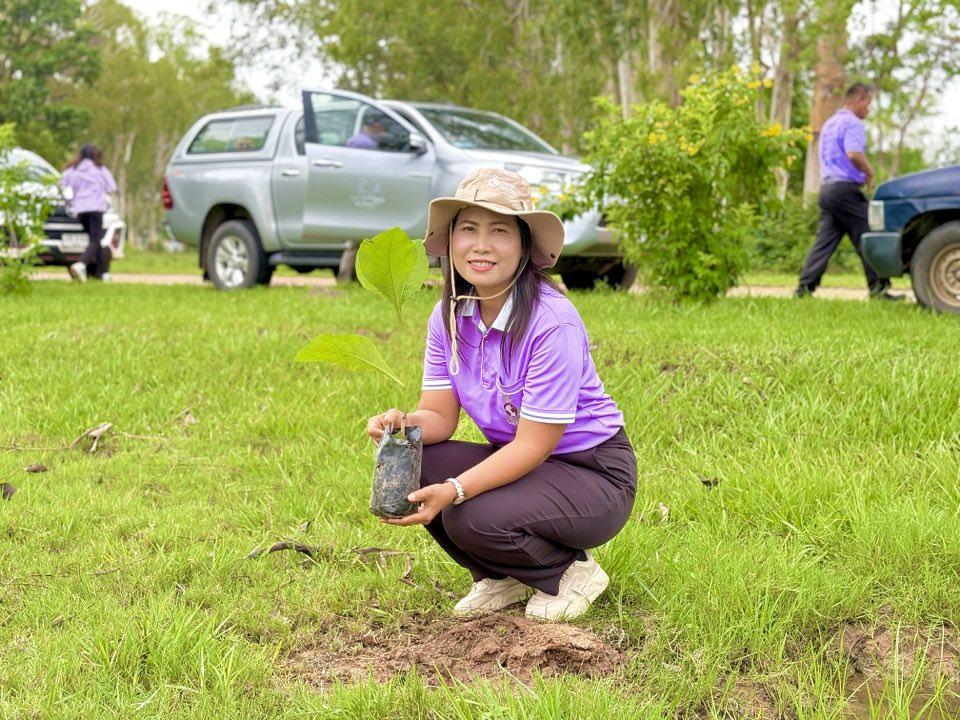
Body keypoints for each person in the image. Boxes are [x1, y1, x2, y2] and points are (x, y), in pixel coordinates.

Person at [366, 168, 637, 622]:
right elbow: (438, 416)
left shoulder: (553, 322)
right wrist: (402, 424)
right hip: (525, 463)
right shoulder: (449, 317)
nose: (481, 245)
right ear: (451, 241)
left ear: (525, 246)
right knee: (416, 462)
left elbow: (534, 444)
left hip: (593, 474)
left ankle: (568, 572)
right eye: (468, 229)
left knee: (469, 513)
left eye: (499, 231)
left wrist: (456, 490)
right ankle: (503, 575)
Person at [795, 83, 900, 300]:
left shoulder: (830, 124)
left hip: (827, 190)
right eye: (868, 104)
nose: (868, 110)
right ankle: (879, 289)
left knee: (824, 241)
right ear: (858, 100)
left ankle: (804, 289)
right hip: (844, 190)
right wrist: (869, 173)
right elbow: (853, 154)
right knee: (868, 234)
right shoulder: (852, 123)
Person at [61, 144, 117, 283]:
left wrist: (71, 200)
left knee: (95, 242)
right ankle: (80, 265)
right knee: (95, 240)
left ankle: (104, 275)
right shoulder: (100, 169)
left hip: (80, 210)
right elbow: (112, 187)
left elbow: (63, 185)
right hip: (96, 209)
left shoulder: (73, 170)